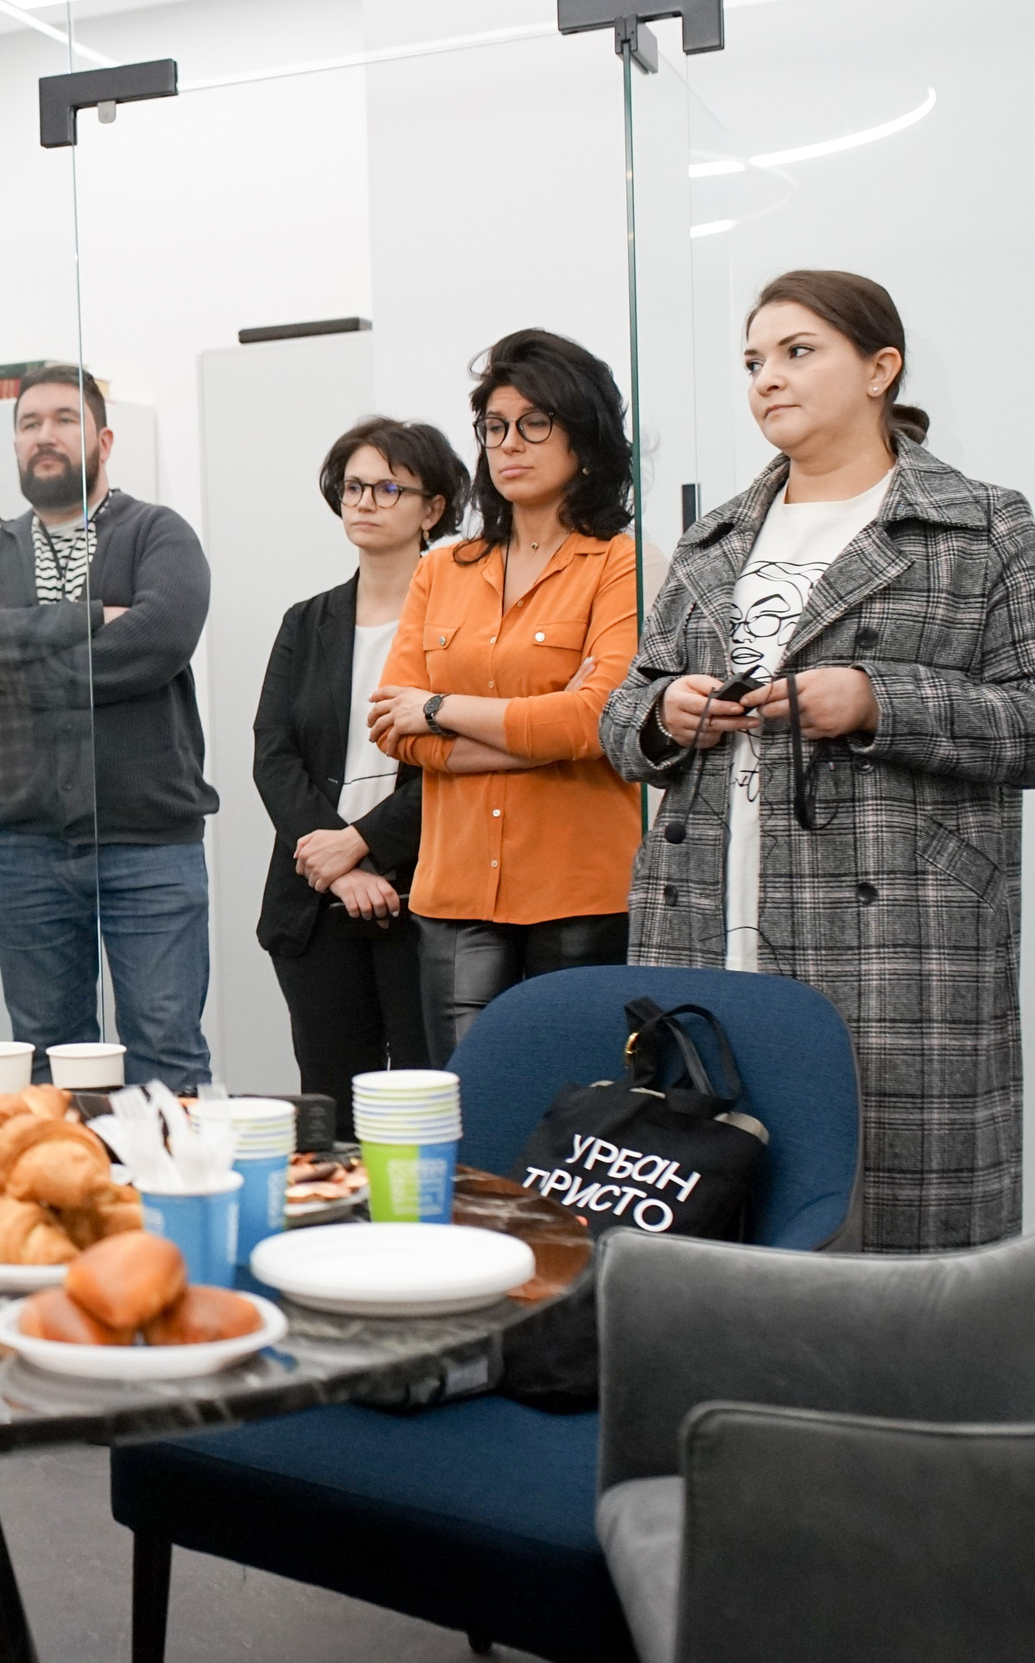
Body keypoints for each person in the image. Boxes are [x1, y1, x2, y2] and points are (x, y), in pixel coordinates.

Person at [604, 270, 1035, 1252]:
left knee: (894, 1238)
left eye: (798, 352)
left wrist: (880, 700)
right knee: (718, 1220)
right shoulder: (713, 541)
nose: (767, 379)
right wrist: (667, 711)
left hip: (901, 943)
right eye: (753, 360)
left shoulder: (980, 526)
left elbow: (1029, 717)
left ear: (880, 368)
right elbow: (621, 719)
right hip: (706, 919)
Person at [0, 363, 217, 1089]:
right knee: (48, 1055)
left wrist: (20, 661)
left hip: (147, 840)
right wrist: (91, 618)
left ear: (104, 438)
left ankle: (165, 1199)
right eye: (29, 424)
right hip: (20, 842)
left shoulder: (157, 533)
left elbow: (160, 638)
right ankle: (75, 1197)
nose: (44, 435)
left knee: (166, 1048)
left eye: (63, 419)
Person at [367, 329, 642, 1061]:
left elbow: (595, 721)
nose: (509, 444)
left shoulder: (621, 565)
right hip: (454, 889)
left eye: (533, 424)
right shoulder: (443, 570)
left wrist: (440, 708)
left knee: (573, 1111)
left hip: (580, 889)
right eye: (494, 428)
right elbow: (393, 729)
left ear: (583, 436)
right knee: (470, 1105)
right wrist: (533, 739)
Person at [255, 419, 466, 1138]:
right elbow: (273, 753)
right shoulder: (306, 621)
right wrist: (338, 864)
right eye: (353, 486)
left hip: (421, 892)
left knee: (418, 1102)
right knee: (330, 1109)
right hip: (315, 901)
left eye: (387, 487)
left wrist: (366, 847)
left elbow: (456, 763)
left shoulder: (459, 624)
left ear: (431, 509)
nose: (365, 501)